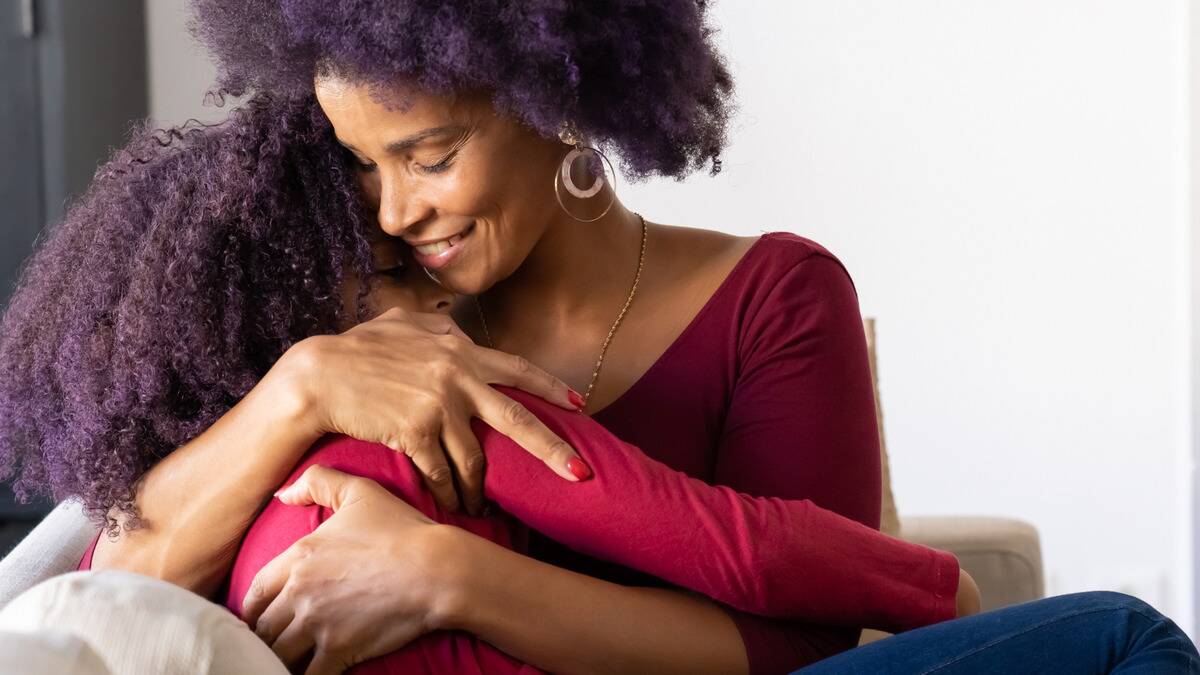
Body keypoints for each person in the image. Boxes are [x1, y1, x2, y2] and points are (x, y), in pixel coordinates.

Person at [1, 2, 1194, 674]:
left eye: (428, 154)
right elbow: (118, 593)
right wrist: (303, 388)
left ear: (556, 97)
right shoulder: (359, 334)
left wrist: (453, 578)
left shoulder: (775, 296)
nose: (393, 211)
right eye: (361, 166)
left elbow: (809, 647)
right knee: (1123, 642)